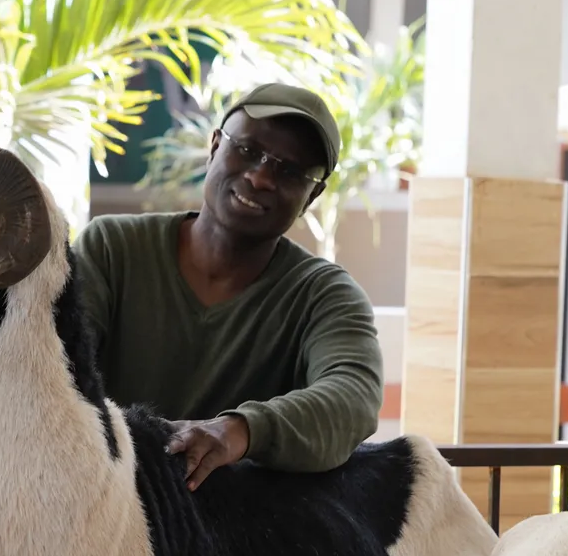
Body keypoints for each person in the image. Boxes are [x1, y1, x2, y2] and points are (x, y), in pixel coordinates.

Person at [72, 82, 384, 491]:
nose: (260, 177)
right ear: (215, 145)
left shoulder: (323, 296)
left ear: (313, 195)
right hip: (98, 507)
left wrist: (238, 431)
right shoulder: (112, 249)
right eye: (249, 151)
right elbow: (54, 366)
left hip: (237, 537)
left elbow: (353, 397)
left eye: (290, 171)